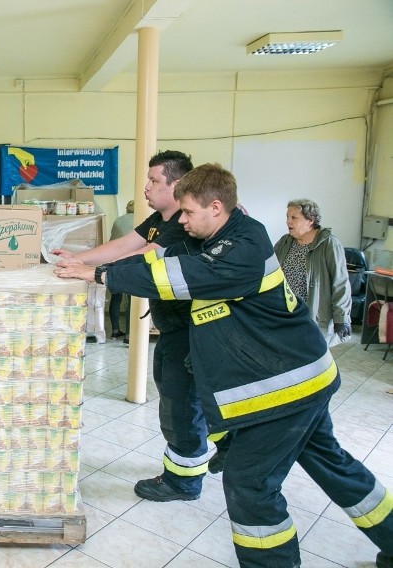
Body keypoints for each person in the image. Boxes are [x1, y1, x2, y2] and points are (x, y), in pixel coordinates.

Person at [56, 163, 392, 568]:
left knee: (249, 485)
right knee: (332, 464)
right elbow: (147, 249)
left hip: (286, 387)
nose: (181, 220)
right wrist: (84, 264)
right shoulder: (207, 232)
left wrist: (98, 275)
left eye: (189, 212)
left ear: (216, 207)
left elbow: (176, 276)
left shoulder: (246, 244)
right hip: (305, 377)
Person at [53, 150, 215, 502]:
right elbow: (125, 244)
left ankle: (184, 482)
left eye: (155, 181)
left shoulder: (182, 229)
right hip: (173, 327)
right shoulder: (160, 217)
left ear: (177, 184)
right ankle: (187, 467)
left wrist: (92, 273)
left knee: (183, 403)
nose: (146, 187)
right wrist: (78, 258)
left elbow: (144, 256)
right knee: (174, 397)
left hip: (192, 330)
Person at [274, 199, 352, 347]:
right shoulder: (285, 242)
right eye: (287, 217)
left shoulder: (329, 243)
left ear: (310, 221)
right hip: (286, 314)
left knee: (312, 358)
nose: (288, 221)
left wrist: (341, 318)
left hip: (313, 315)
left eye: (294, 218)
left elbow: (340, 283)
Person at [107, 199, 135, 339]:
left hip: (116, 262)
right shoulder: (143, 221)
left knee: (116, 297)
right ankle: (129, 335)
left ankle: (115, 330)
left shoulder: (118, 221)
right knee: (132, 299)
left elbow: (112, 241)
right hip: (133, 262)